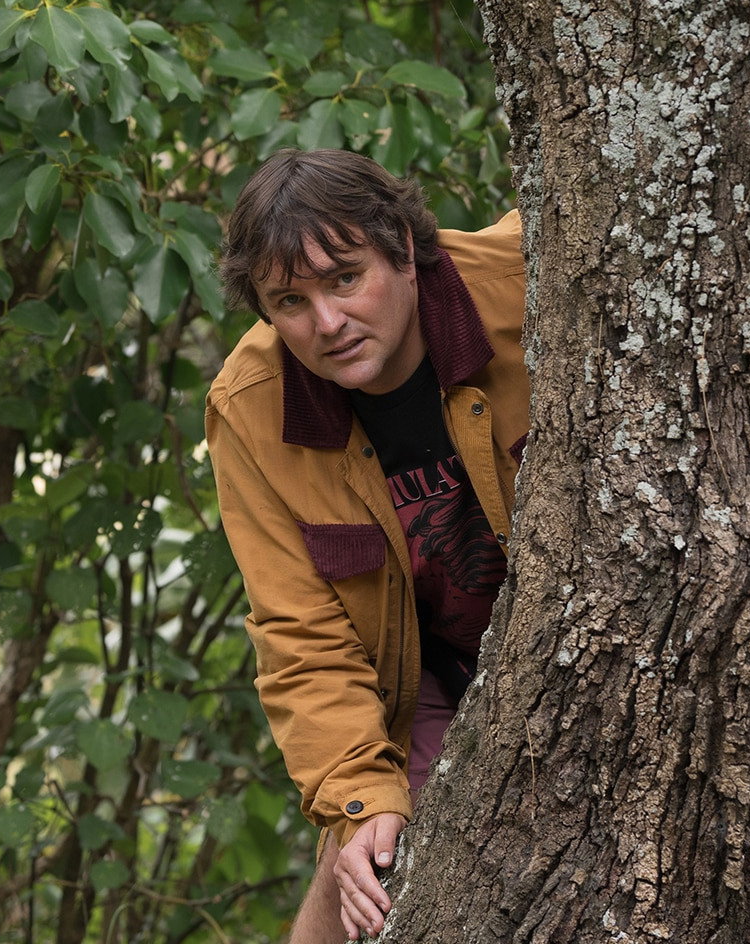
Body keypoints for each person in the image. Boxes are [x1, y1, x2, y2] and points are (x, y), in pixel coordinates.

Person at [205, 149, 526, 943]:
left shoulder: (529, 284)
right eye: (290, 300)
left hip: (592, 643)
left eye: (344, 278)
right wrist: (361, 797)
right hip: (426, 671)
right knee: (369, 862)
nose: (326, 323)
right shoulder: (251, 410)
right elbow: (300, 638)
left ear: (405, 252)